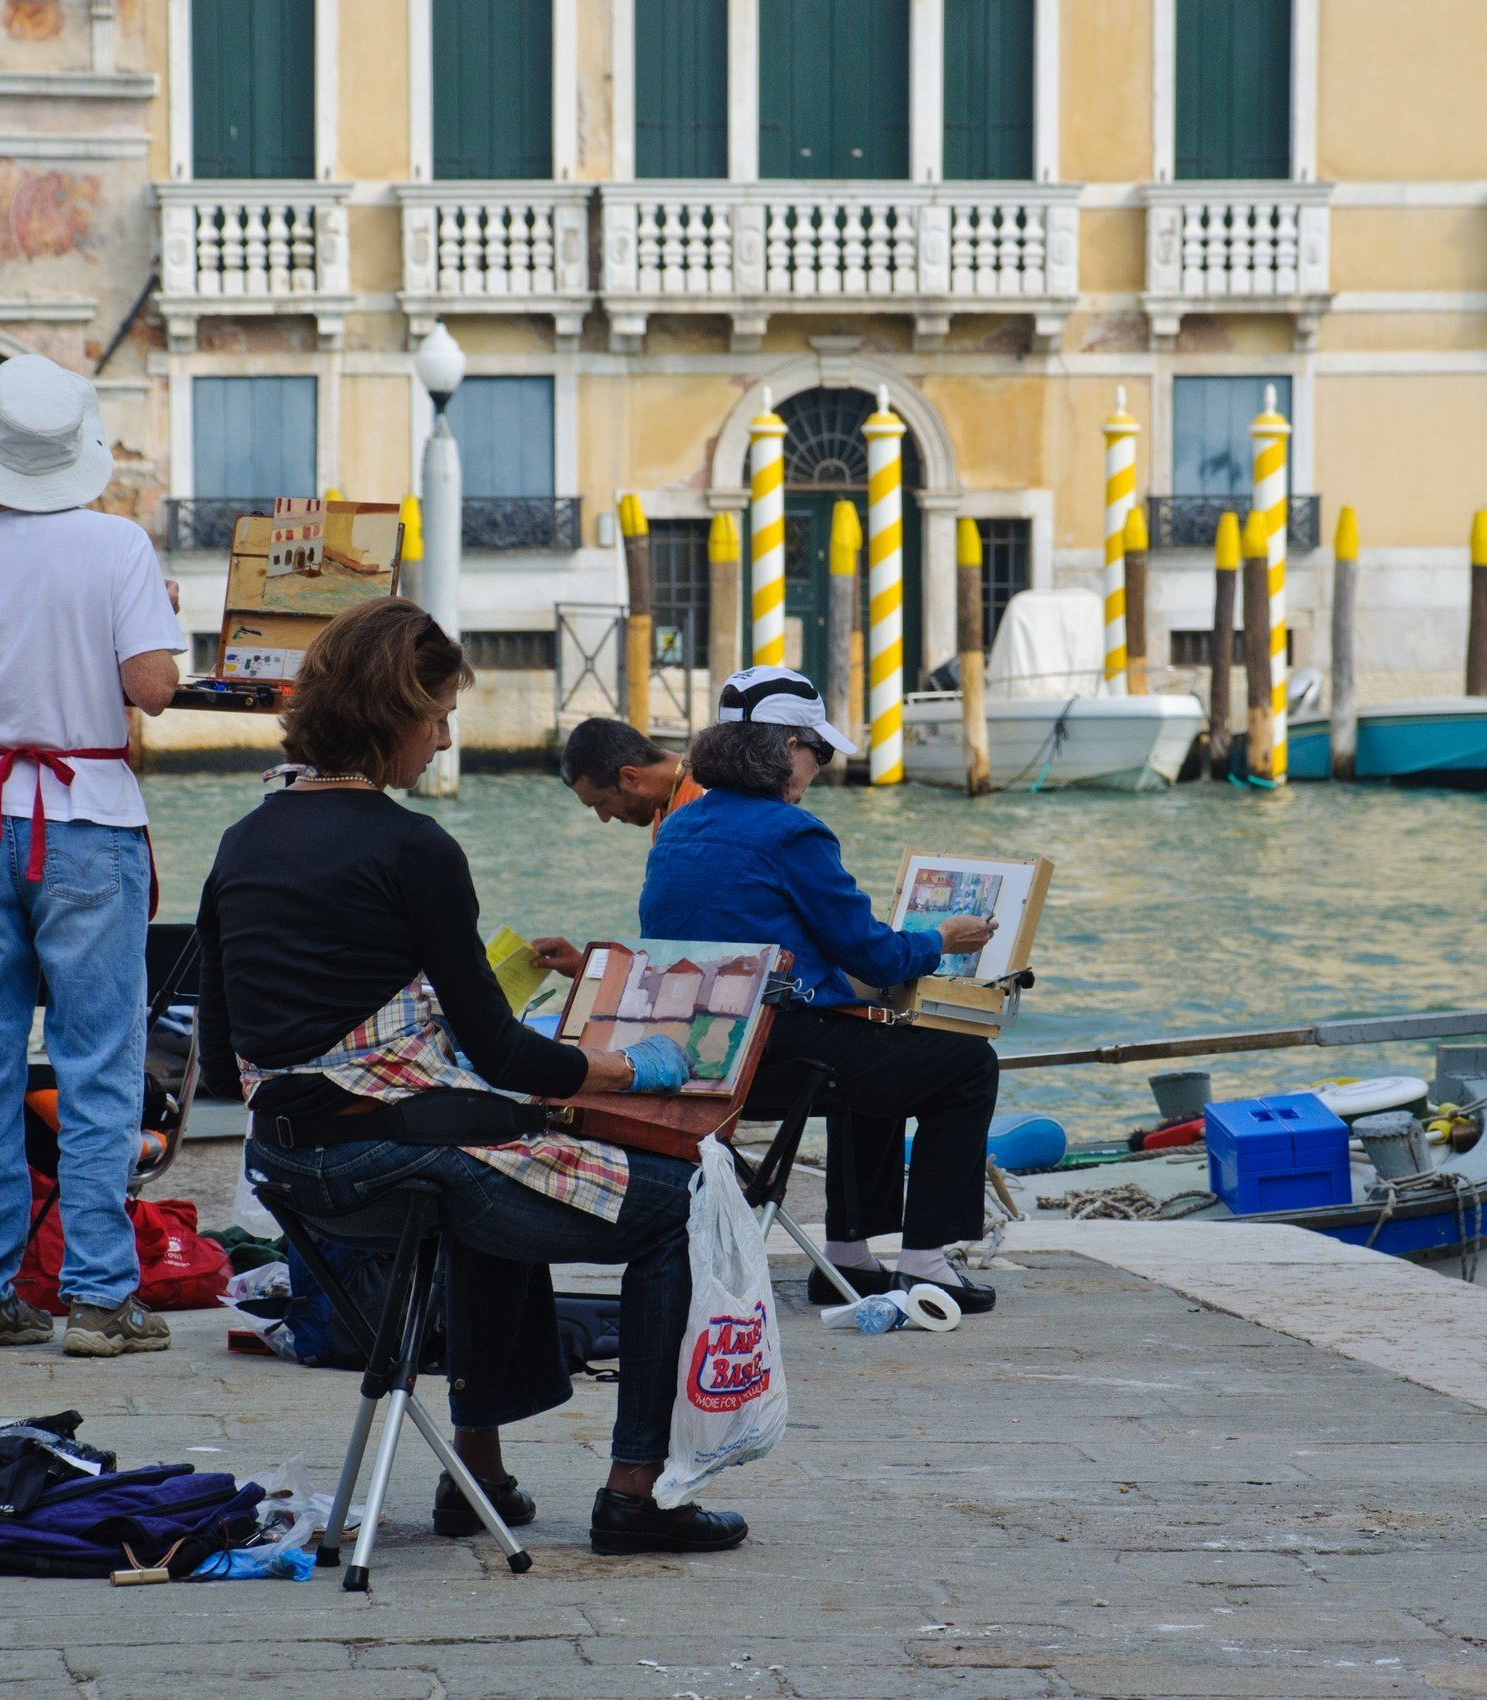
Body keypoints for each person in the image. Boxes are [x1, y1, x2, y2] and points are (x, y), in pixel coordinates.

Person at [199, 597, 749, 1557]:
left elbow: (227, 1040)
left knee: (489, 1152)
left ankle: (478, 1473)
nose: (447, 739)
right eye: (440, 715)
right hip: (386, 1161)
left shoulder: (245, 838)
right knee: (686, 1199)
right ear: (392, 716)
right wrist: (622, 1065)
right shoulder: (416, 848)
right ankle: (637, 1494)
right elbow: (503, 1056)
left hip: (291, 1167)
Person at [0, 354, 188, 1358]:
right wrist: (164, 616)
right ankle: (101, 1299)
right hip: (85, 819)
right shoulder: (118, 546)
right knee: (99, 1063)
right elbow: (152, 687)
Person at [637, 667, 1004, 1313]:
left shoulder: (679, 827)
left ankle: (852, 1257)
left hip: (698, 1053)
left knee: (877, 1046)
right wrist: (941, 938)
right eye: (819, 751)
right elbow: (871, 952)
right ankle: (926, 1263)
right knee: (965, 1066)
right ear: (785, 749)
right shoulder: (792, 832)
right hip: (775, 1054)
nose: (821, 767)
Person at [557, 716, 702, 834]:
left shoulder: (704, 803)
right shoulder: (666, 806)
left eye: (600, 803)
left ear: (630, 777)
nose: (604, 818)